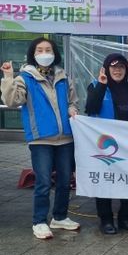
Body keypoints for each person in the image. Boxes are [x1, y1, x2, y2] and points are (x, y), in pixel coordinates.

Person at [1, 37, 79, 240]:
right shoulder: (25, 77)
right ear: (33, 54)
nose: (45, 53)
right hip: (40, 139)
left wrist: (72, 110)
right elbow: (12, 100)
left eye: (48, 49)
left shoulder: (63, 76)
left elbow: (73, 101)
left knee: (65, 181)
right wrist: (8, 77)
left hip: (65, 138)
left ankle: (60, 217)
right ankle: (39, 221)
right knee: (43, 182)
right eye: (40, 50)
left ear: (55, 53)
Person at [85, 53, 128, 235]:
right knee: (104, 181)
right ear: (106, 68)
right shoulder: (95, 85)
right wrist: (102, 85)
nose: (117, 70)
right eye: (113, 67)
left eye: (121, 67)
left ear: (126, 70)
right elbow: (91, 108)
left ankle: (125, 217)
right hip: (104, 144)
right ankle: (106, 220)